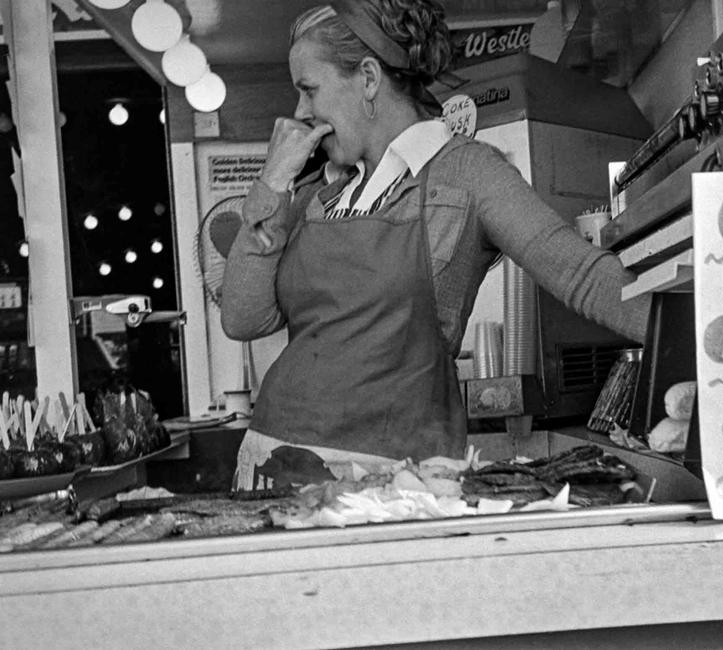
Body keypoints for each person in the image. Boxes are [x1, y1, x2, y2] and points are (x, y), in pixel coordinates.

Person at [222, 0, 652, 491]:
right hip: (272, 464)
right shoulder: (318, 195)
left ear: (367, 79)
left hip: (394, 486)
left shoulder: (467, 174)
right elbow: (243, 317)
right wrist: (272, 180)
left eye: (309, 89)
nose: (300, 112)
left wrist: (715, 334)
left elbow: (582, 277)